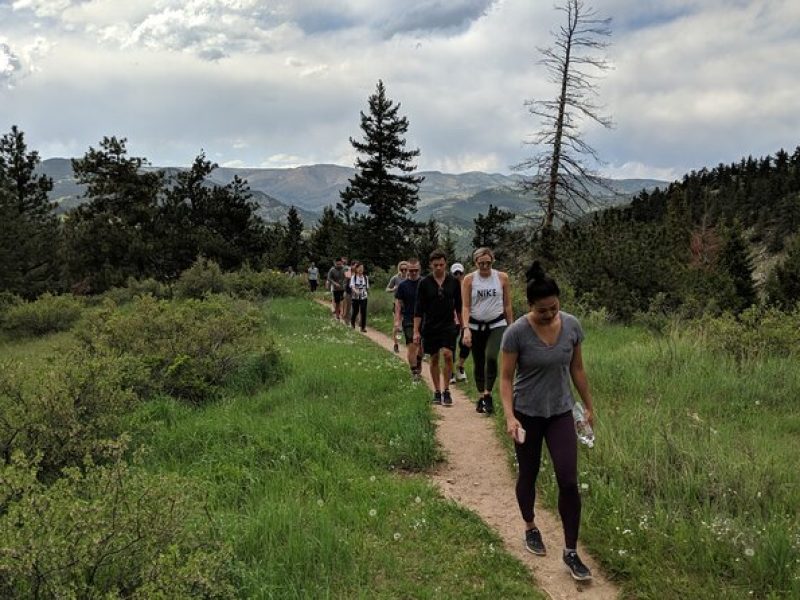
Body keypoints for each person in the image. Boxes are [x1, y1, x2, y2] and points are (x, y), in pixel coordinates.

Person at [499, 261, 595, 582]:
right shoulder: (516, 334)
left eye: (554, 308)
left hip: (560, 412)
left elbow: (577, 369)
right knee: (528, 473)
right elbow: (506, 377)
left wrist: (588, 406)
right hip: (527, 414)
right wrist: (510, 416)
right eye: (542, 311)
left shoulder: (572, 326)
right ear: (529, 306)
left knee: (568, 479)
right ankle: (530, 526)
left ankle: (570, 551)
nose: (550, 315)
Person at [460, 248, 513, 414]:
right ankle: (481, 395)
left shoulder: (502, 277)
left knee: (491, 356)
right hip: (476, 325)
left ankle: (488, 393)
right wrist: (466, 328)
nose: (484, 266)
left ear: (493, 261)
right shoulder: (469, 280)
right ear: (475, 263)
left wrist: (511, 326)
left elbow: (507, 304)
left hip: (497, 323)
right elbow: (466, 306)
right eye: (481, 263)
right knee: (478, 360)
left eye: (488, 263)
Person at [413, 249, 462, 407]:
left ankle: (447, 389)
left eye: (441, 264)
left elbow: (460, 306)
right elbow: (418, 309)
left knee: (448, 355)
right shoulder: (424, 283)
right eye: (435, 265)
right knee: (434, 358)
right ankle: (437, 390)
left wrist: (464, 326)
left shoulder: (453, 282)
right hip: (430, 325)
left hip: (448, 324)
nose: (439, 268)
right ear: (430, 265)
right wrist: (416, 331)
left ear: (445, 264)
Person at [394, 258, 423, 381]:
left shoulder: (425, 282)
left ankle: (419, 360)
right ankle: (414, 371)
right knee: (412, 345)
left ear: (419, 269)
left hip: (424, 319)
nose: (413, 273)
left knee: (421, 347)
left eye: (416, 270)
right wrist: (397, 320)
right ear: (407, 271)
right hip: (408, 319)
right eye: (411, 271)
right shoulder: (402, 286)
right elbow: (398, 304)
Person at [449, 263, 469, 385]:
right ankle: (450, 371)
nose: (457, 275)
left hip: (466, 320)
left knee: (466, 344)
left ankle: (460, 366)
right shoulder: (448, 286)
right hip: (451, 320)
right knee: (451, 346)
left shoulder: (468, 286)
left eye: (459, 273)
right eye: (455, 273)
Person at [387, 261, 408, 352]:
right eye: (402, 269)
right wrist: (393, 289)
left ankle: (408, 344)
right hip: (397, 304)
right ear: (399, 269)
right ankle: (396, 344)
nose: (403, 271)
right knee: (397, 326)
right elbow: (387, 289)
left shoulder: (410, 278)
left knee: (406, 326)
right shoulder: (395, 278)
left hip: (408, 305)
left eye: (405, 269)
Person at [349, 261, 369, 332]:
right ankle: (352, 323)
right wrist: (356, 291)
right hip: (355, 297)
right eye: (359, 268)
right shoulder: (353, 277)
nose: (361, 270)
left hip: (364, 297)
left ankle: (363, 327)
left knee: (363, 311)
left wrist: (366, 293)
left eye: (362, 268)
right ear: (356, 269)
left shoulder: (366, 277)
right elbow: (352, 286)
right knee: (355, 311)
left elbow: (367, 287)